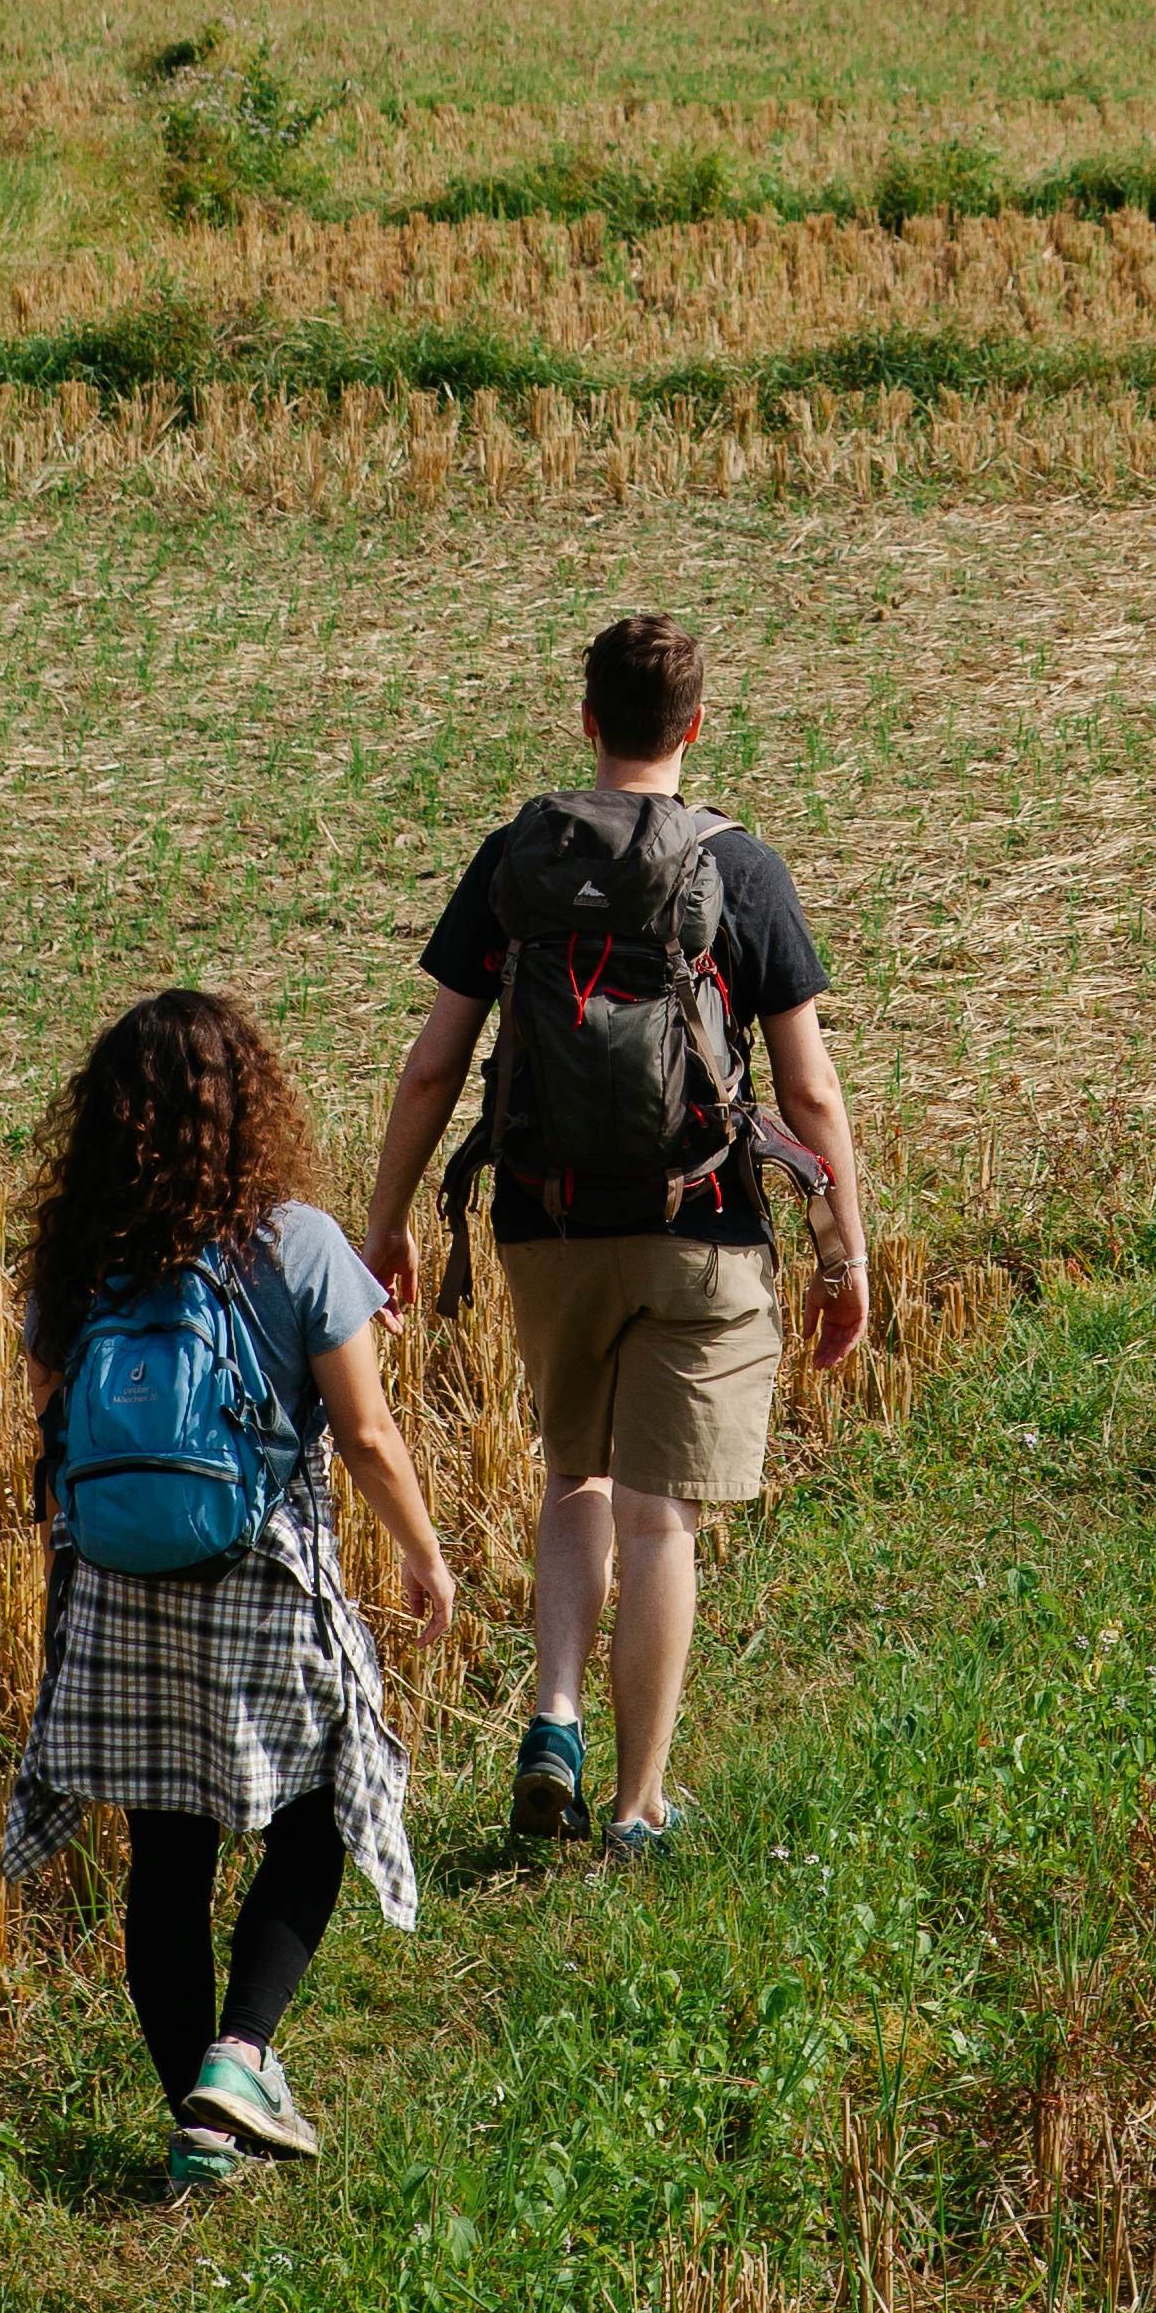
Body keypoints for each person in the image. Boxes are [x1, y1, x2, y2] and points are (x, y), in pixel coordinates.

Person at [364, 610, 867, 1862]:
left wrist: (382, 1223)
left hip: (544, 1220)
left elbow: (434, 1069)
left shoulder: (514, 861)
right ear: (695, 726)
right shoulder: (739, 873)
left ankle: (554, 1715)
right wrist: (842, 1252)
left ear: (587, 721)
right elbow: (807, 1093)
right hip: (701, 1227)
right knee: (660, 1518)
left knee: (572, 1477)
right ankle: (638, 1808)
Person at [7, 985, 456, 2198]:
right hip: (256, 1578)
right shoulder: (297, 1241)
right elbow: (364, 1434)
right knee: (325, 1806)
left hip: (117, 1589)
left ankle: (194, 2126)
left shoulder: (77, 1254)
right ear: (249, 1106)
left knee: (167, 1852)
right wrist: (423, 1553)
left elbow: (49, 1420)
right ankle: (243, 2054)